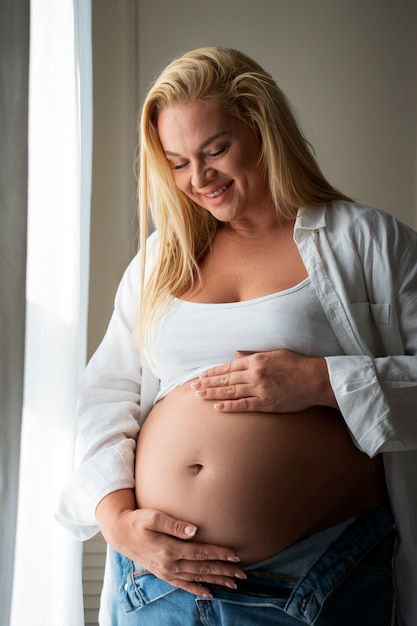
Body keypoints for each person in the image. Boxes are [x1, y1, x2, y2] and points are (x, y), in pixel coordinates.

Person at [57, 47, 417, 625]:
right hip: (159, 585)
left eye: (216, 150)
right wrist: (119, 523)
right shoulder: (158, 262)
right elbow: (104, 396)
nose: (198, 180)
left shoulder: (366, 240)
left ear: (261, 130)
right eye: (177, 162)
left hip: (314, 581)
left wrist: (320, 381)